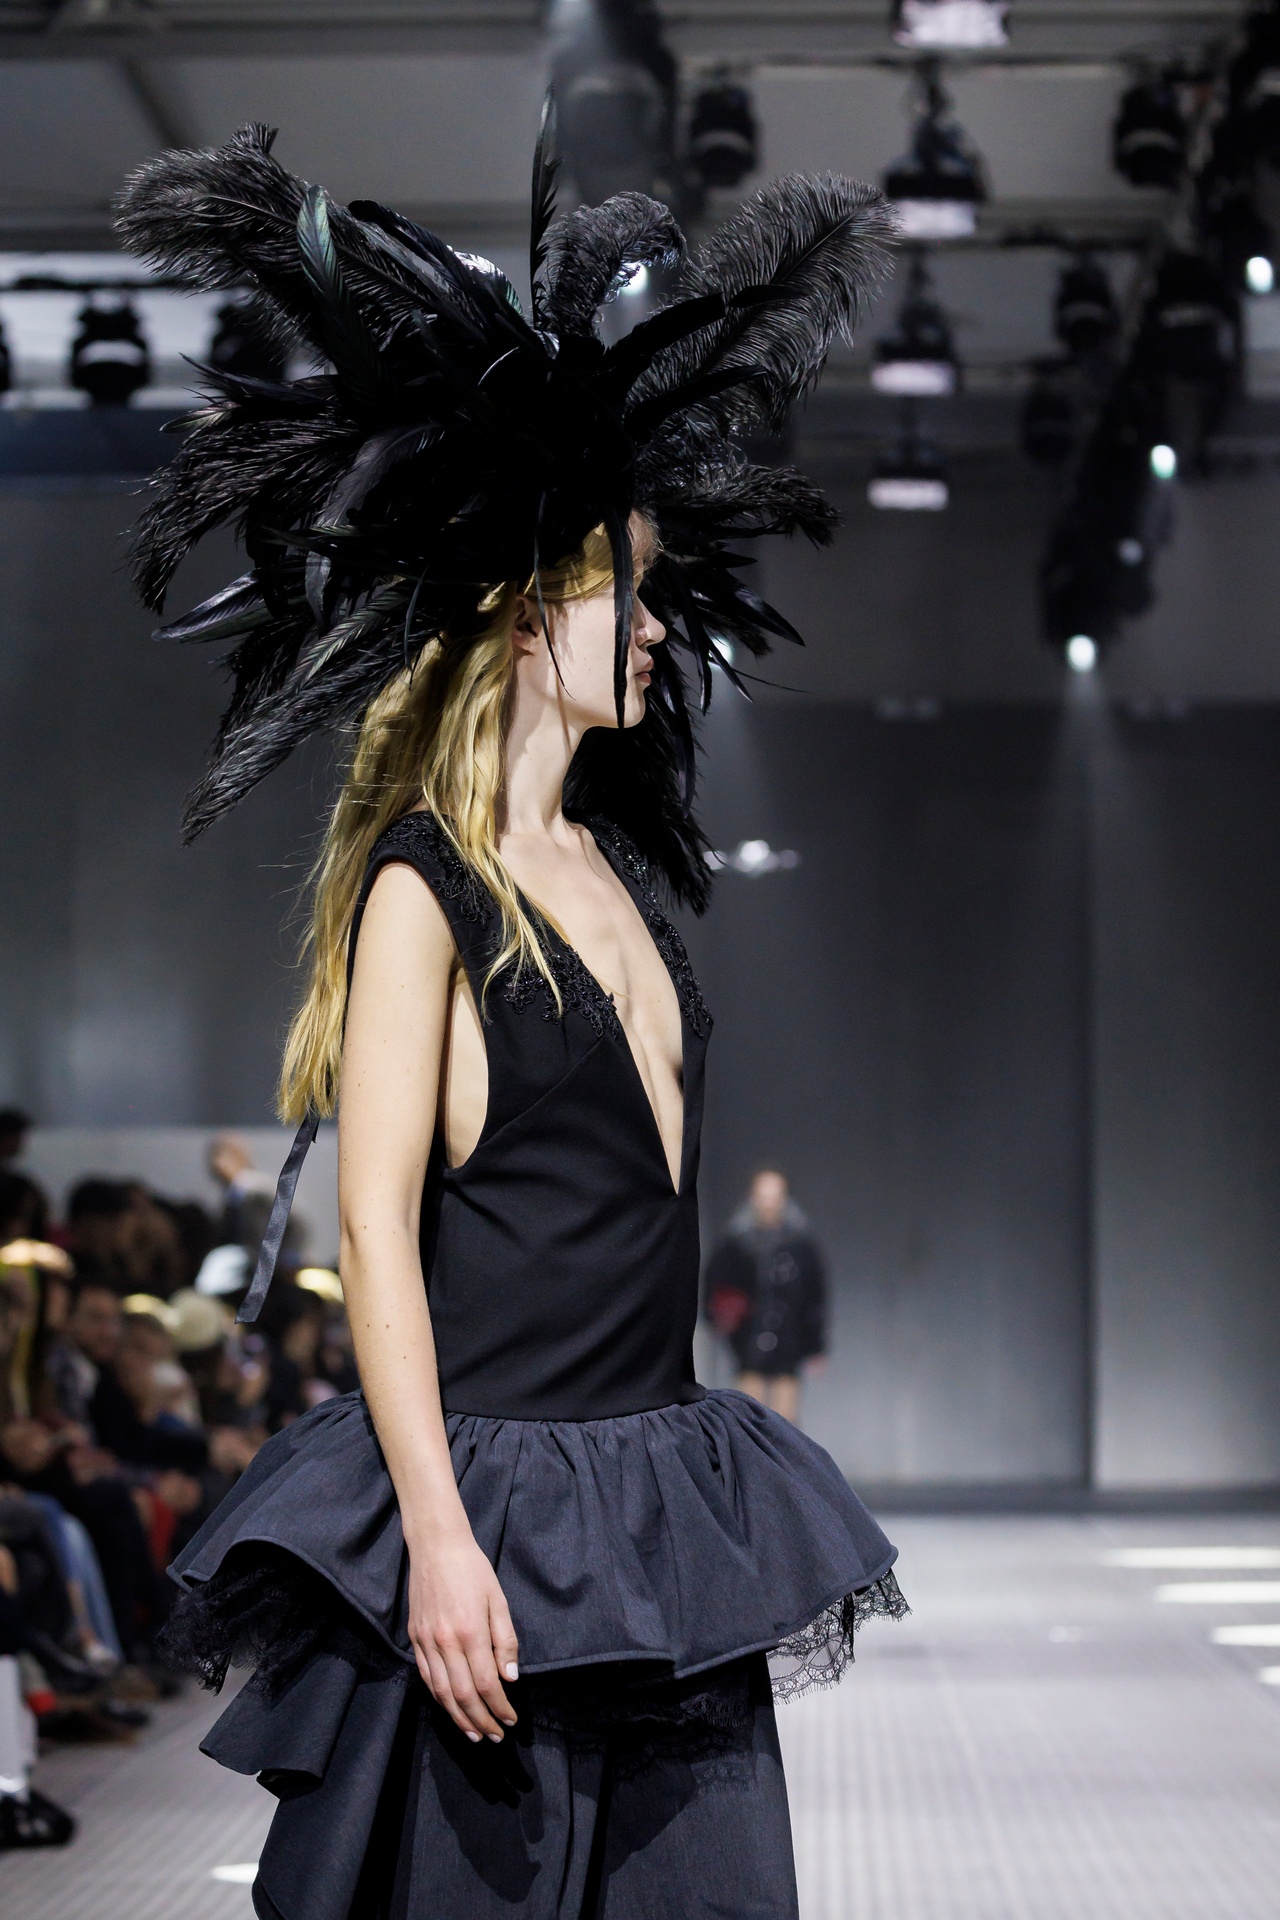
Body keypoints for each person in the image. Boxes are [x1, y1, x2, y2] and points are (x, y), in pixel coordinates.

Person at [116, 112, 903, 1920]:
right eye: (633, 593)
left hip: (665, 1502)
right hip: (498, 1524)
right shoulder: (427, 890)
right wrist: (441, 1545)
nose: (661, 629)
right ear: (532, 615)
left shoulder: (616, 876)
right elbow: (376, 1240)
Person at [704, 1170, 829, 1425]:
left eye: (774, 1197)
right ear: (752, 1198)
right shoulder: (735, 1245)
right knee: (748, 1419)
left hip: (790, 1344)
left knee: (786, 1422)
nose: (768, 1204)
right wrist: (721, 1321)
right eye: (763, 1197)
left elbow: (815, 1297)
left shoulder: (801, 1247)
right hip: (746, 1343)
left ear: (785, 1199)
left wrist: (816, 1345)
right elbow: (713, 1290)